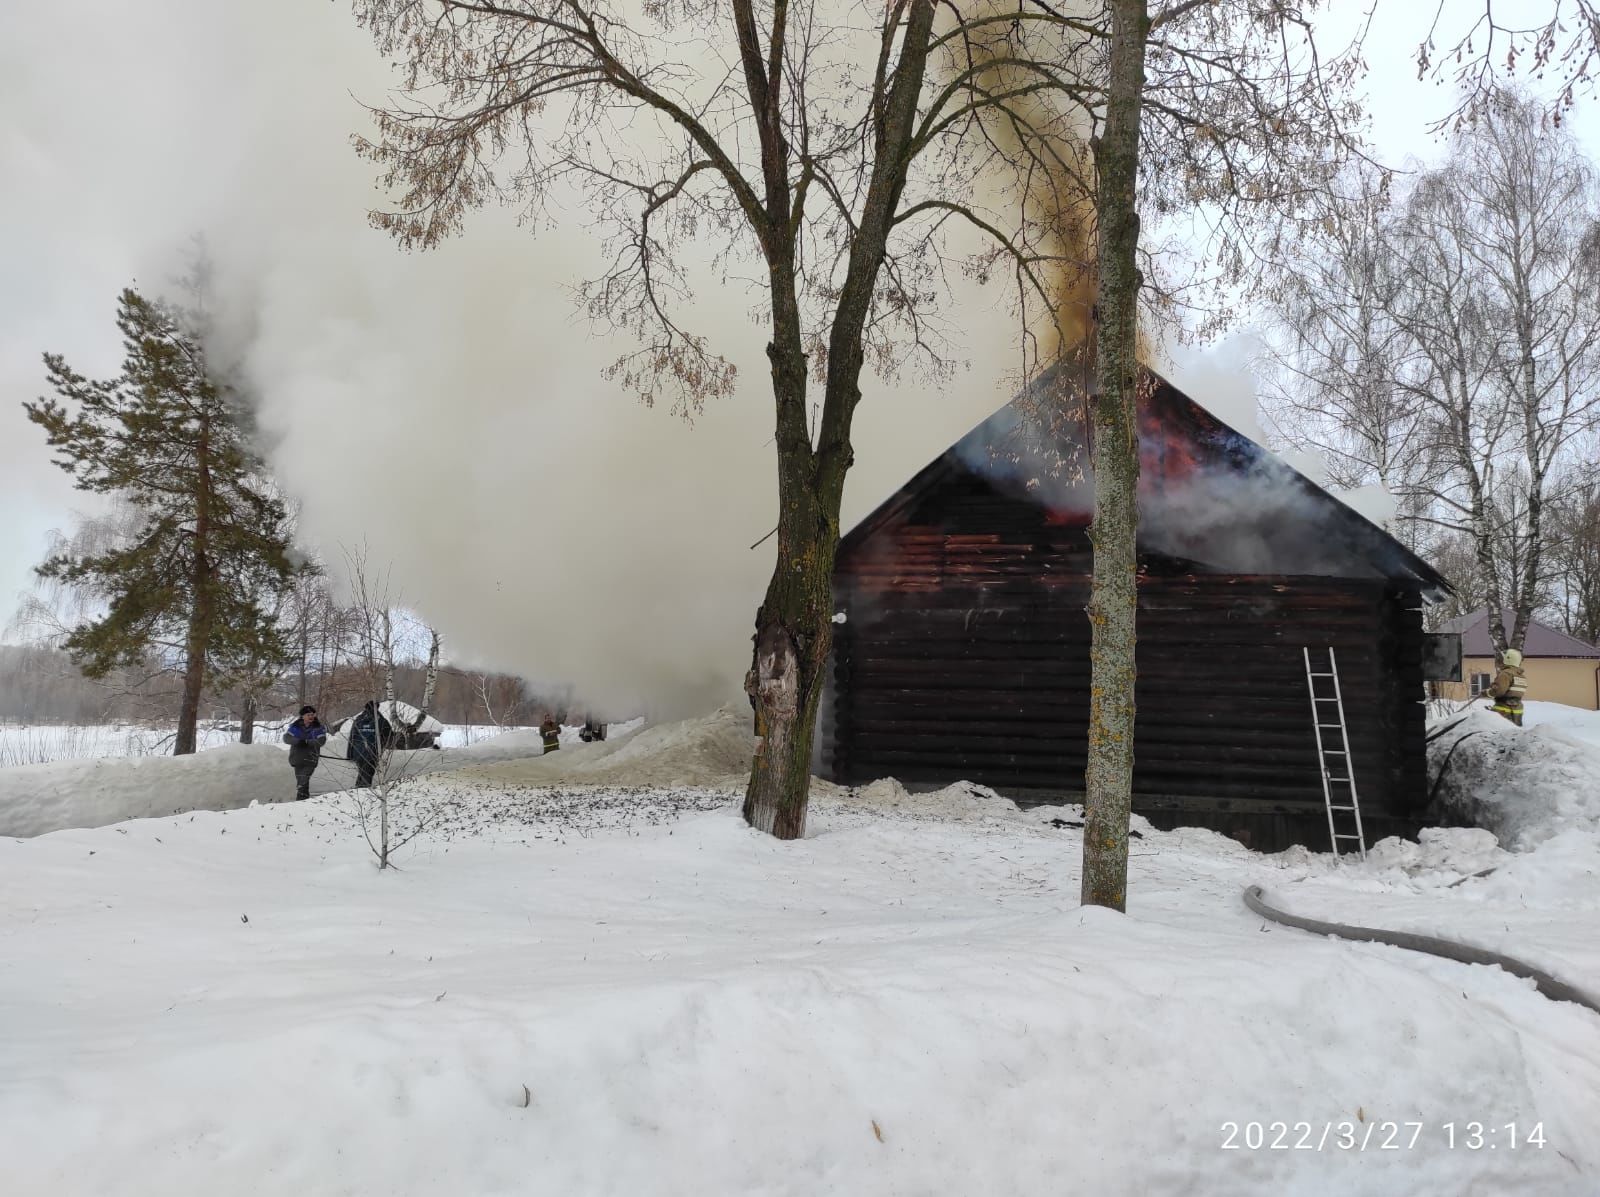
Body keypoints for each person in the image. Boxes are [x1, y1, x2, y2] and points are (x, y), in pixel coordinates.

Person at [282, 705, 328, 801]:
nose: (311, 717)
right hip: (297, 759)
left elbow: (321, 741)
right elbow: (286, 738)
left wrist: (307, 742)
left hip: (310, 759)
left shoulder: (318, 728)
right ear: (302, 716)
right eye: (308, 715)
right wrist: (298, 741)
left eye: (312, 714)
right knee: (302, 781)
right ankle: (305, 801)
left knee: (303, 780)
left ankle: (300, 800)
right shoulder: (295, 727)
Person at [348, 699, 394, 788]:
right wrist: (382, 744)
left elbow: (352, 736)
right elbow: (390, 735)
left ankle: (358, 789)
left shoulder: (358, 719)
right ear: (377, 708)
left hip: (358, 752)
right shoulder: (380, 720)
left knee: (362, 771)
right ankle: (363, 791)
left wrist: (350, 754)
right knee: (368, 773)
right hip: (372, 751)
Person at [1487, 648, 1528, 727]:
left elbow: (1499, 691)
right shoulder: (1521, 676)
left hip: (1503, 709)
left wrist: (1487, 692)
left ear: (1508, 659)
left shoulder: (1505, 674)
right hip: (1517, 710)